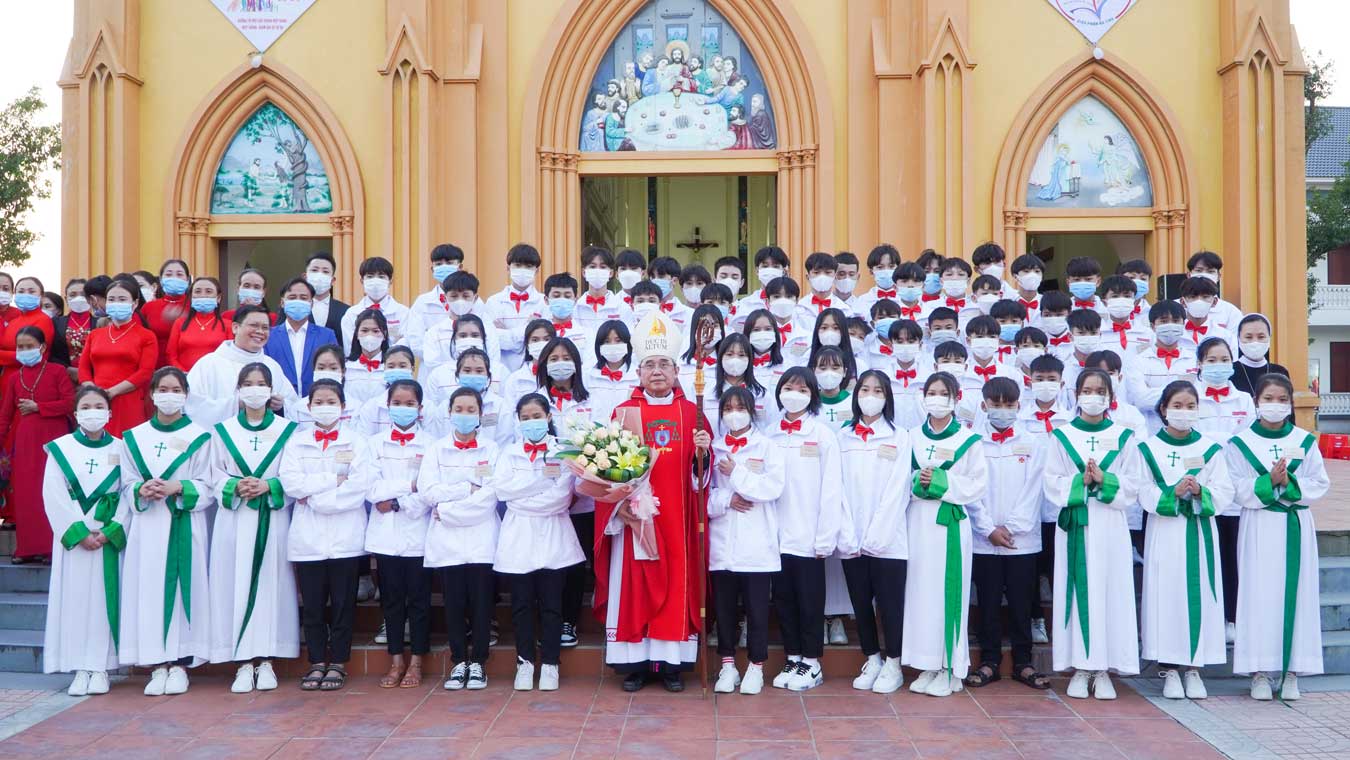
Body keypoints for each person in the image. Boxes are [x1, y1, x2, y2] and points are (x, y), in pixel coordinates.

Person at [593, 311, 713, 693]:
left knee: (676, 583)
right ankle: (636, 665)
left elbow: (702, 477)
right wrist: (620, 508)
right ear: (639, 371)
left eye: (664, 364)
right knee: (636, 586)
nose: (657, 371)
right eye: (650, 365)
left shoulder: (692, 413)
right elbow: (604, 469)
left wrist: (703, 454)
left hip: (677, 519)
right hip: (635, 520)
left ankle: (671, 666)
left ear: (677, 371)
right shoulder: (623, 413)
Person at [1043, 368, 1142, 700]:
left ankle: (1103, 669)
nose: (1094, 396)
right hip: (1077, 523)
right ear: (1076, 395)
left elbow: (1133, 484)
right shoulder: (1061, 436)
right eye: (1087, 390)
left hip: (1111, 525)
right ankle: (1080, 666)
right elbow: (1051, 481)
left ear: (1111, 397)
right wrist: (1080, 482)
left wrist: (1104, 480)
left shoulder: (1124, 437)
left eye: (1101, 391)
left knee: (1110, 592)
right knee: (1076, 592)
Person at [1229, 373, 1329, 701]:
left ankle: (1292, 670)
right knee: (1258, 594)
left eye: (1282, 400)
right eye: (1268, 399)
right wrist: (1268, 482)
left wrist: (1289, 484)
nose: (1275, 405)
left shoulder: (1304, 441)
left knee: (1296, 594)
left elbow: (1319, 482)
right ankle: (1259, 671)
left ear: (1290, 404)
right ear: (1256, 402)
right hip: (1259, 523)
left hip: (1294, 523)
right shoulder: (1240, 443)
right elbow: (1235, 487)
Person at [116, 367, 215, 695]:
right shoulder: (134, 437)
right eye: (163, 389)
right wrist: (139, 490)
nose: (169, 396)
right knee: (149, 590)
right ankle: (156, 663)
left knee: (185, 590)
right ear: (152, 394)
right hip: (147, 528)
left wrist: (178, 487)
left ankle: (181, 663)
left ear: (186, 395)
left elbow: (208, 485)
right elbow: (126, 482)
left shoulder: (201, 437)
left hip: (183, 522)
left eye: (176, 390)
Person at [1138, 380, 1234, 700]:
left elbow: (1224, 490)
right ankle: (1169, 669)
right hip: (1165, 531)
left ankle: (1194, 668)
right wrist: (1172, 493)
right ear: (1163, 409)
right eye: (1177, 406)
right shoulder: (1148, 449)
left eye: (1190, 406)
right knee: (1166, 595)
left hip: (1199, 530)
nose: (1184, 412)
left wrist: (1200, 492)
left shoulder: (1210, 449)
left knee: (1200, 593)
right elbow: (1142, 489)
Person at [207, 363, 300, 693]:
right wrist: (234, 486)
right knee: (234, 583)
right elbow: (212, 474)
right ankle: (242, 661)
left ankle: (267, 659)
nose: (254, 389)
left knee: (271, 585)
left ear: (271, 390)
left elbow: (295, 474)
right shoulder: (223, 431)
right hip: (235, 519)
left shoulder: (289, 431)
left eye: (261, 383)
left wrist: (270, 486)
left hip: (271, 518)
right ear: (238, 390)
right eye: (248, 383)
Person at [279, 378, 372, 692]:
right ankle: (317, 661)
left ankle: (339, 662)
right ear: (308, 407)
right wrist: (334, 480)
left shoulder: (357, 442)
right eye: (318, 402)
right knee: (314, 605)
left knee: (343, 604)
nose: (325, 407)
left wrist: (316, 498)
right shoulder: (296, 442)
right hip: (308, 537)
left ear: (343, 406)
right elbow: (292, 484)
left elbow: (358, 487)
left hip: (346, 536)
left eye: (331, 401)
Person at [904, 372, 988, 697]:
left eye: (944, 393)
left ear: (956, 398)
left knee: (947, 593)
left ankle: (950, 667)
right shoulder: (911, 436)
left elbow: (977, 484)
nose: (937, 399)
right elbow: (901, 478)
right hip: (917, 521)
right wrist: (917, 481)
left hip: (949, 521)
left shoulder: (969, 439)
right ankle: (927, 662)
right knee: (921, 593)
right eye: (932, 392)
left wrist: (940, 481)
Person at [492, 392, 582, 691]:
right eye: (525, 418)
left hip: (553, 535)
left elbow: (561, 498)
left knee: (551, 604)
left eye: (537, 416)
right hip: (518, 536)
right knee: (521, 605)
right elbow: (502, 490)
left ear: (549, 417)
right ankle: (525, 662)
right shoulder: (508, 452)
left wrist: (522, 495)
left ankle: (551, 664)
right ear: (518, 421)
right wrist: (540, 483)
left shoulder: (563, 450)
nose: (531, 422)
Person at [966, 378, 1051, 691]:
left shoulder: (1034, 443)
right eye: (996, 404)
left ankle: (1023, 662)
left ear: (1019, 405)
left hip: (1021, 541)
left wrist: (1011, 527)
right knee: (987, 602)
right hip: (984, 539)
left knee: (1020, 602)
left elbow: (1034, 490)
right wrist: (987, 528)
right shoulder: (972, 442)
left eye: (1009, 404)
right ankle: (989, 660)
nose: (1002, 410)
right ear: (984, 405)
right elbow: (970, 489)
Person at [42, 385, 128, 696]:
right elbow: (53, 492)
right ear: (76, 413)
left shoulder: (122, 449)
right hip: (76, 540)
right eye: (86, 407)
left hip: (106, 538)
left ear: (109, 412)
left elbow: (128, 492)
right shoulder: (61, 448)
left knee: (104, 601)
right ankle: (79, 667)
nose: (93, 412)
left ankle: (101, 667)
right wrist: (78, 533)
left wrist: (112, 529)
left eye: (99, 406)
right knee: (75, 600)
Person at [835, 370, 912, 693]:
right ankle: (873, 657)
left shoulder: (900, 437)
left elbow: (899, 489)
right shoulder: (842, 437)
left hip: (888, 539)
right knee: (860, 602)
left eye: (877, 391)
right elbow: (836, 487)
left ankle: (894, 662)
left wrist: (878, 534)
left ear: (887, 397)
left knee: (891, 604)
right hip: (852, 537)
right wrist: (847, 531)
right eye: (864, 390)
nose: (870, 396)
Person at [767, 367, 843, 692]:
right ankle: (793, 656)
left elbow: (832, 489)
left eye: (802, 389)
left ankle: (812, 662)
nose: (794, 394)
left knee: (810, 602)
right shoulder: (770, 434)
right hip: (776, 536)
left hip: (810, 534)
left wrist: (825, 536)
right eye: (788, 387)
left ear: (812, 395)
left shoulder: (822, 435)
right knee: (784, 600)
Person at [421, 386, 500, 691]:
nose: (464, 415)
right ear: (449, 412)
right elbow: (428, 491)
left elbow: (490, 495)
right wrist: (466, 489)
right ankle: (458, 661)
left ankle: (478, 661)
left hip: (482, 537)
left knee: (481, 603)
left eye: (471, 410)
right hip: (447, 541)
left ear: (480, 414)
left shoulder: (491, 450)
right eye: (459, 409)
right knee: (453, 603)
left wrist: (448, 509)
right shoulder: (436, 450)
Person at [709, 386, 786, 695]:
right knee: (725, 609)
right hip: (723, 540)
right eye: (728, 409)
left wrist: (737, 473)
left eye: (740, 408)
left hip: (756, 542)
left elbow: (773, 488)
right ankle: (728, 665)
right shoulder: (713, 448)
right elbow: (703, 492)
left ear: (752, 411)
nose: (734, 414)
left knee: (757, 610)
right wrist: (727, 499)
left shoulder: (767, 446)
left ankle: (756, 666)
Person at [364, 379, 434, 689]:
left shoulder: (432, 444)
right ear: (388, 406)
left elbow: (428, 490)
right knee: (391, 601)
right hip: (386, 536)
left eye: (409, 404)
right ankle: (396, 661)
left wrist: (394, 501)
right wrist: (408, 487)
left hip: (419, 533)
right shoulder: (374, 444)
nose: (403, 408)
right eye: (397, 403)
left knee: (419, 600)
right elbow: (370, 488)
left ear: (420, 409)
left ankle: (417, 662)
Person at [0, 326, 73, 563]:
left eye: (29, 346)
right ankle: (26, 548)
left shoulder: (57, 371)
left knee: (51, 490)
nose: (24, 350)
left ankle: (50, 548)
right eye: (20, 347)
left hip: (54, 438)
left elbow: (69, 403)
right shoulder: (15, 377)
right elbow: (5, 415)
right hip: (26, 440)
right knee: (26, 493)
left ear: (42, 347)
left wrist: (39, 407)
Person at [185, 305, 299, 428]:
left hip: (265, 437)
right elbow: (192, 406)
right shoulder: (209, 364)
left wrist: (281, 405)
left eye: (265, 327)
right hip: (220, 438)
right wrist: (236, 404)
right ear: (235, 327)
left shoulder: (272, 366)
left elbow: (294, 406)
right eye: (254, 325)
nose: (260, 332)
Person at [78, 277, 157, 436]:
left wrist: (113, 391)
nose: (116, 303)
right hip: (96, 400)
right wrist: (92, 390)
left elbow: (145, 372)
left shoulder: (146, 336)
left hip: (128, 399)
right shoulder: (95, 334)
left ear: (134, 303)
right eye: (111, 299)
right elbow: (83, 368)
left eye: (122, 299)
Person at [264, 277, 337, 397]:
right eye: (292, 297)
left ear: (311, 303)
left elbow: (335, 370)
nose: (298, 302)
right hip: (279, 402)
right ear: (282, 303)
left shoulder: (327, 335)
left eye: (303, 298)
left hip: (316, 402)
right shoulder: (268, 336)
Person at [485, 244, 547, 371]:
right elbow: (491, 339)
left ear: (536, 271)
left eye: (528, 266)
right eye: (518, 265)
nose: (522, 270)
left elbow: (545, 340)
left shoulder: (544, 302)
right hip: (501, 369)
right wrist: (528, 329)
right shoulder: (493, 302)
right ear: (508, 268)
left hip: (533, 371)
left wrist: (505, 333)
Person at [403, 243, 471, 358]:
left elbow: (483, 337)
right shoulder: (422, 302)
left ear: (460, 267)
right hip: (432, 365)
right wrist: (443, 359)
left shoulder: (473, 301)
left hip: (468, 363)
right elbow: (416, 342)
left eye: (449, 263)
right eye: (439, 264)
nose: (444, 267)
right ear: (432, 269)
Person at [167, 277, 233, 371]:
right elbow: (171, 354)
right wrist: (183, 373)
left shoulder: (228, 325)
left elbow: (230, 356)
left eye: (208, 291)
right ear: (191, 297)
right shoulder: (180, 323)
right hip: (184, 376)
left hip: (216, 375)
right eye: (198, 291)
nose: (203, 295)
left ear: (218, 298)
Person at [340, 257, 409, 344]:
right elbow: (350, 346)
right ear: (362, 281)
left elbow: (404, 345)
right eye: (370, 276)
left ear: (390, 281)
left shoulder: (403, 313)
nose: (376, 281)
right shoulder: (351, 314)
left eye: (381, 277)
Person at [0, 276, 56, 382]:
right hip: (7, 379)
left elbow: (32, 355)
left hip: (30, 379)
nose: (26, 295)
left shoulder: (43, 320)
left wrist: (4, 357)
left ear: (41, 296)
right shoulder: (14, 321)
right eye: (21, 291)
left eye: (31, 291)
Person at [140, 260, 192, 365]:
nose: (174, 278)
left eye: (179, 274)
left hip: (187, 365)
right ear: (161, 280)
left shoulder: (194, 306)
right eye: (168, 275)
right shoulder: (149, 307)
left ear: (187, 279)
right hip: (155, 364)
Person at [343, 309, 394, 411]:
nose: (370, 336)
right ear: (357, 334)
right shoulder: (346, 366)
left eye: (375, 331)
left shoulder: (392, 367)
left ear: (384, 334)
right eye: (364, 331)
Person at [1231, 314, 1289, 396]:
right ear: (1239, 339)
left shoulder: (1280, 371)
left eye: (1261, 337)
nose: (1255, 342)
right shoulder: (1230, 371)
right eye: (1248, 337)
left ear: (1269, 338)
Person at [304, 252, 350, 348]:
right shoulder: (294, 307)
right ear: (305, 277)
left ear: (332, 280)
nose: (319, 275)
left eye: (325, 272)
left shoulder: (346, 311)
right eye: (314, 270)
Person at [52, 278, 93, 380]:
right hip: (64, 376)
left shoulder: (101, 322)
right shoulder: (55, 322)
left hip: (94, 377)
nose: (78, 298)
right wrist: (68, 369)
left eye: (83, 294)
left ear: (90, 298)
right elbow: (51, 352)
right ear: (66, 299)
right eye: (73, 295)